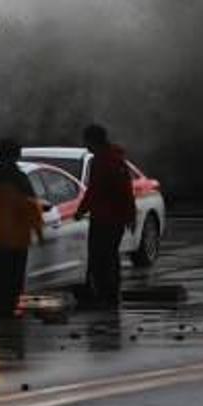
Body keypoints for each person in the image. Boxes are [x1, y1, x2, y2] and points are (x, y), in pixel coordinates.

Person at [75, 124, 136, 307]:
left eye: (86, 141)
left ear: (93, 141)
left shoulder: (104, 161)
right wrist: (130, 215)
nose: (85, 145)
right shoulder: (115, 159)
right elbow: (126, 191)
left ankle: (105, 296)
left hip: (105, 219)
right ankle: (109, 295)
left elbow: (95, 191)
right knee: (108, 257)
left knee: (101, 258)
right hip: (113, 219)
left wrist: (81, 210)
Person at [0, 138, 43, 317]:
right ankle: (8, 308)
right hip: (17, 236)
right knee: (14, 276)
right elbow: (32, 207)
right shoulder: (19, 179)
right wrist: (39, 233)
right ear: (17, 155)